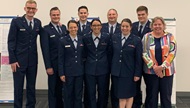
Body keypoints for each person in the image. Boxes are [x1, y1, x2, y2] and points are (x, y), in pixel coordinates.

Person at [7, 0, 42, 108]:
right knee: (18, 88)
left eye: (33, 8)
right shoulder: (16, 22)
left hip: (32, 61)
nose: (31, 10)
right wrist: (12, 60)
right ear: (25, 8)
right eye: (29, 8)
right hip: (18, 62)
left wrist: (58, 25)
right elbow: (11, 41)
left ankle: (30, 106)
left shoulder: (37, 22)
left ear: (36, 10)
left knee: (31, 87)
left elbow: (45, 33)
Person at [142, 16, 177, 108]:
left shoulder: (170, 37)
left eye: (159, 24)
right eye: (155, 24)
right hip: (151, 72)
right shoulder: (146, 37)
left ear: (164, 26)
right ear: (152, 26)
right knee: (151, 96)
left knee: (166, 97)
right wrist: (155, 67)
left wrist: (162, 67)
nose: (157, 26)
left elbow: (172, 53)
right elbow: (144, 53)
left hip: (167, 72)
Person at [111, 18, 142, 108]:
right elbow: (111, 54)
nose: (124, 28)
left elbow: (138, 59)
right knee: (120, 95)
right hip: (117, 72)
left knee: (129, 94)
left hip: (129, 72)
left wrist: (137, 73)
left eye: (127, 26)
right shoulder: (114, 37)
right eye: (123, 26)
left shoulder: (136, 40)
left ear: (131, 27)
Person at [40, 7, 67, 108]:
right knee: (53, 89)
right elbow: (45, 50)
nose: (56, 17)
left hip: (63, 65)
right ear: (50, 16)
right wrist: (48, 66)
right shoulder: (45, 30)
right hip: (53, 65)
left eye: (57, 15)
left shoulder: (63, 28)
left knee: (62, 89)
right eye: (54, 15)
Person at [83, 19, 111, 108]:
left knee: (103, 92)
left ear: (101, 26)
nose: (96, 27)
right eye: (94, 25)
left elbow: (109, 52)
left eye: (98, 25)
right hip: (89, 70)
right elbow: (84, 53)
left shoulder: (107, 37)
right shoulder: (85, 37)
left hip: (103, 69)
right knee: (90, 92)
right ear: (91, 27)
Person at [58, 20, 84, 108]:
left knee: (78, 94)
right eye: (71, 27)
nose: (73, 29)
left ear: (77, 28)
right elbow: (60, 58)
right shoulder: (63, 40)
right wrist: (61, 73)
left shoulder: (81, 39)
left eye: (75, 27)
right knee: (68, 95)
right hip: (68, 72)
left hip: (79, 72)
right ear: (68, 29)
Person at [131, 5, 151, 108]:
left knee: (150, 87)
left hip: (148, 63)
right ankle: (136, 105)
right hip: (135, 62)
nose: (141, 16)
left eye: (143, 14)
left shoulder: (152, 26)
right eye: (139, 15)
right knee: (135, 86)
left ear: (147, 14)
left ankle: (147, 105)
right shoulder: (133, 26)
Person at [101, 8, 121, 108]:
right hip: (103, 61)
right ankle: (104, 104)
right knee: (104, 85)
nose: (111, 16)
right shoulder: (101, 26)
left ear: (117, 15)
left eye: (113, 14)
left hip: (117, 61)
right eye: (109, 14)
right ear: (107, 16)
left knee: (116, 86)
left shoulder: (122, 27)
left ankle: (115, 105)